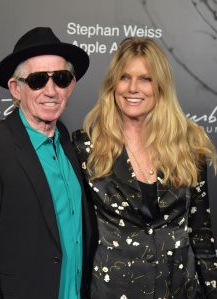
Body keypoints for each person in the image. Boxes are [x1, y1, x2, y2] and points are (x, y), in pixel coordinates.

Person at [73, 37, 217, 299]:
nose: (133, 88)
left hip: (179, 290)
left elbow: (201, 235)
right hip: (113, 290)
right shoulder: (87, 147)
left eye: (145, 79)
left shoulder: (189, 145)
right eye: (124, 77)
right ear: (112, 84)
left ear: (160, 86)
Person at [0, 27, 93, 299]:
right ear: (16, 88)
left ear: (72, 85)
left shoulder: (70, 143)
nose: (51, 91)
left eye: (61, 79)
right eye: (38, 80)